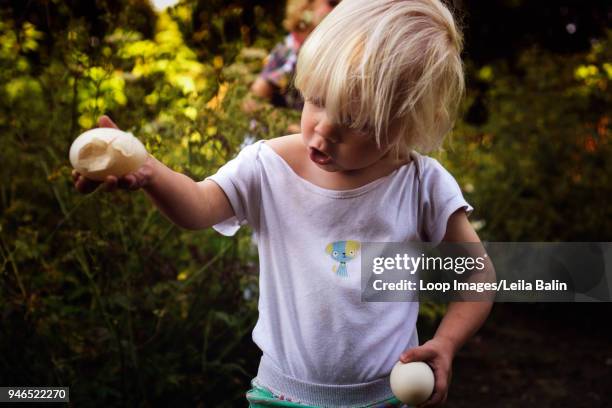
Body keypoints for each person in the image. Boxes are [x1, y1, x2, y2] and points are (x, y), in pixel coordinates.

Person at [73, 0, 493, 406]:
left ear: (405, 124)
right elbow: (198, 206)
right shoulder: (267, 166)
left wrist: (445, 343)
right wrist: (149, 170)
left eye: (355, 121)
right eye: (316, 99)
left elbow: (480, 274)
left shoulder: (420, 183)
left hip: (386, 397)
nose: (322, 131)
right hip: (282, 397)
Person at [244, 0, 339, 134]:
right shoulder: (290, 49)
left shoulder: (330, 51)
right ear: (307, 5)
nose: (340, 9)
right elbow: (252, 102)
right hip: (286, 140)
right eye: (333, 3)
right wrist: (291, 127)